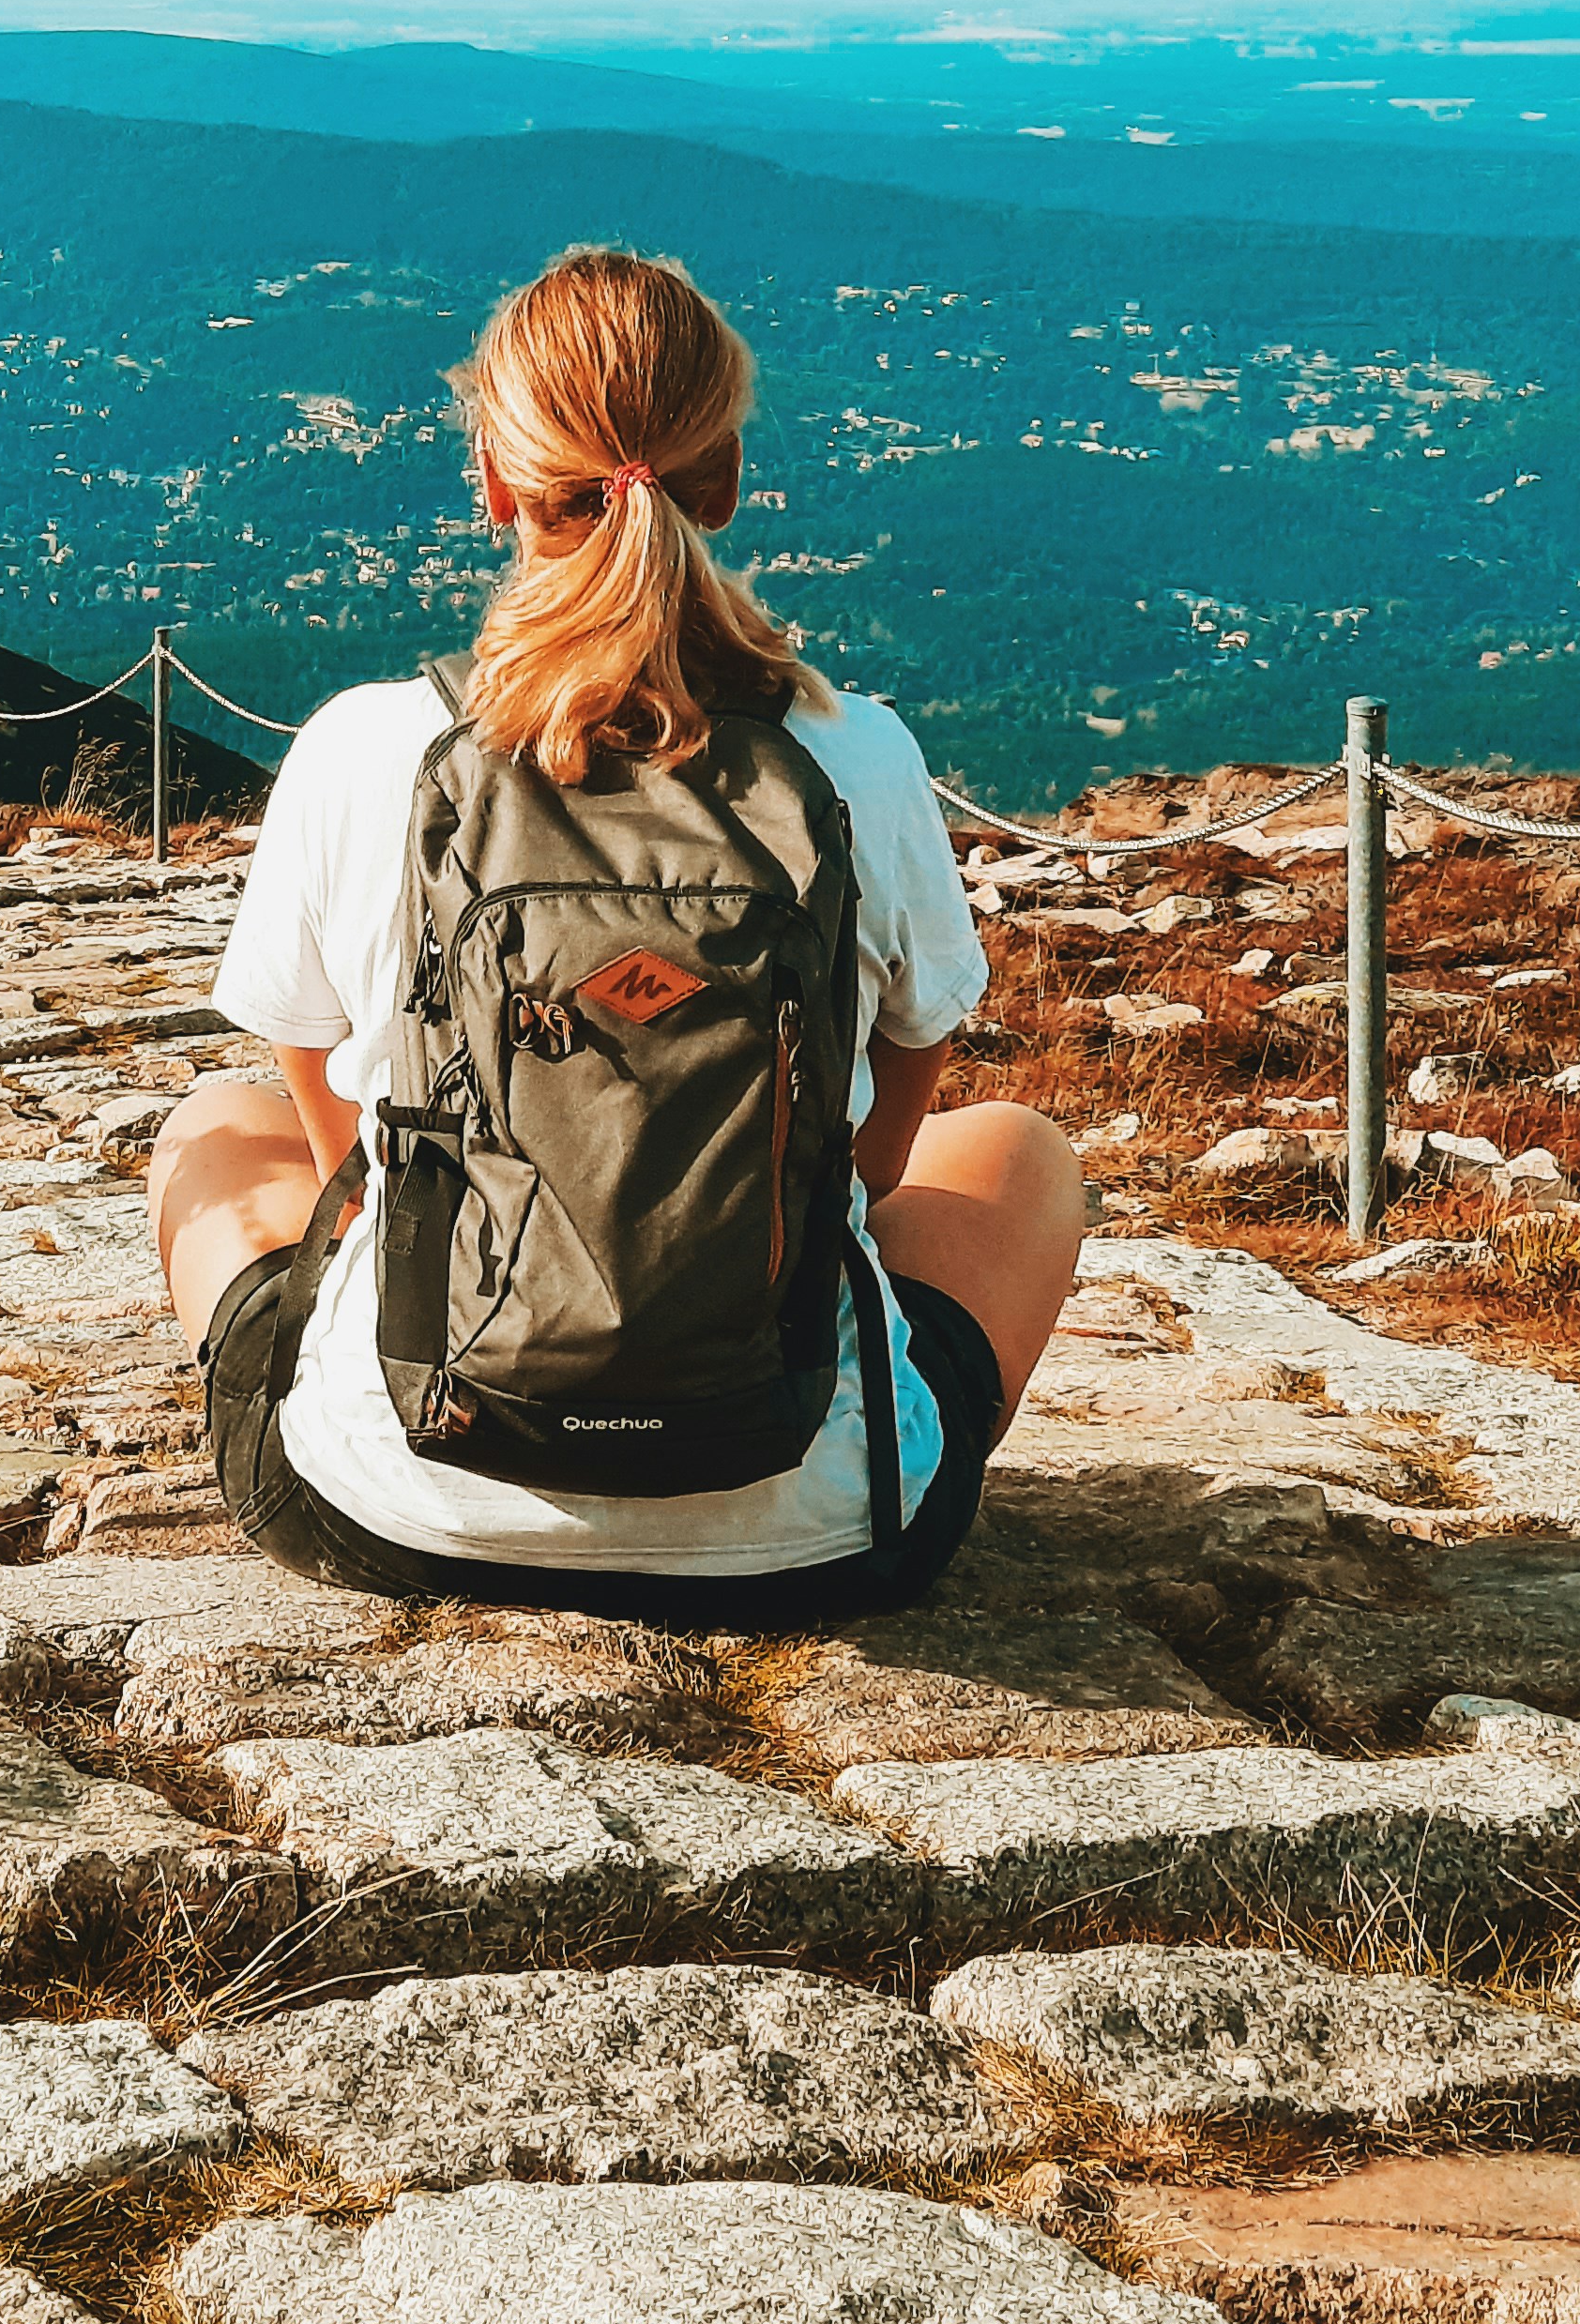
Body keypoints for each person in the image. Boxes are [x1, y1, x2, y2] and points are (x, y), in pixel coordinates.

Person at [150, 239, 1084, 1620]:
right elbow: (867, 1175)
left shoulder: (367, 749)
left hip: (402, 1498)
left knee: (213, 1128)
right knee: (1017, 1153)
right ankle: (762, 1472)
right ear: (725, 483)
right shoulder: (856, 758)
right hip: (819, 1526)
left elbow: (354, 1170)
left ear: (496, 483)